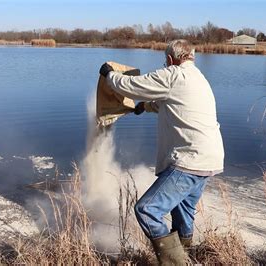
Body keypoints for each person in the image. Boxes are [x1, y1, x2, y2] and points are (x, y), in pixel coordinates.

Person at [99, 39, 224, 265]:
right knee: (183, 211)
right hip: (209, 159)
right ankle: (187, 255)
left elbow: (131, 85)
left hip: (190, 160)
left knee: (147, 209)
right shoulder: (199, 79)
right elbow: (169, 103)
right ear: (191, 57)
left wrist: (109, 75)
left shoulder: (173, 75)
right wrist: (144, 107)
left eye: (165, 62)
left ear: (169, 59)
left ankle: (176, 263)